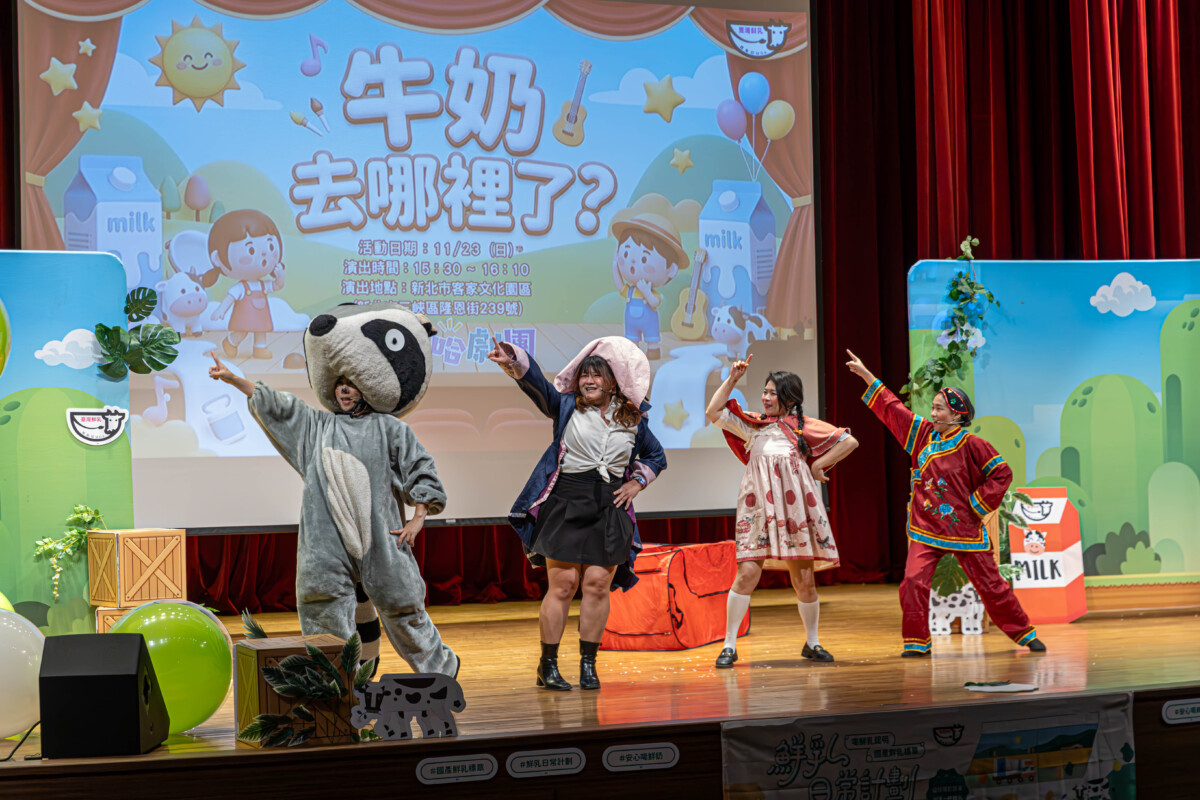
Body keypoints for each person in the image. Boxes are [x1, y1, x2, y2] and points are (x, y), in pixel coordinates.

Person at [207, 352, 459, 676]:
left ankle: (442, 673)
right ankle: (338, 688)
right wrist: (234, 380)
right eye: (340, 384)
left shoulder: (390, 429)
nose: (344, 390)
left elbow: (421, 470)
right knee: (323, 611)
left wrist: (417, 518)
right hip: (326, 548)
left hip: (382, 541)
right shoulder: (318, 427)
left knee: (403, 607)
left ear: (366, 388)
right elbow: (281, 406)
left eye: (351, 384)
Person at [488, 336, 666, 691]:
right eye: (585, 374)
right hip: (567, 501)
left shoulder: (632, 418)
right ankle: (548, 666)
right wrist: (514, 360)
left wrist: (636, 483)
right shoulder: (566, 405)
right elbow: (538, 387)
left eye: (597, 375)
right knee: (564, 585)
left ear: (612, 381)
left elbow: (656, 456)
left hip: (610, 507)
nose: (589, 380)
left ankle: (588, 665)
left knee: (598, 586)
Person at [845, 349, 1046, 657]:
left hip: (964, 530)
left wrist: (977, 505)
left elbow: (1002, 474)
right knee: (913, 581)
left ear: (957, 415)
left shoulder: (974, 445)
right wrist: (867, 375)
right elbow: (892, 408)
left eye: (939, 409)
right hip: (926, 528)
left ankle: (1024, 633)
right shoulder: (922, 435)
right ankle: (916, 643)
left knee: (991, 585)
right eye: (933, 408)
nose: (933, 413)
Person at [706, 356, 858, 667]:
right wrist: (732, 379)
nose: (765, 398)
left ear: (789, 398)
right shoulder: (753, 426)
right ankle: (729, 645)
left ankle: (812, 643)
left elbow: (849, 441)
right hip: (758, 509)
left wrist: (817, 465)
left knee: (804, 580)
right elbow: (714, 412)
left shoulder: (804, 427)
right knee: (747, 574)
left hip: (793, 510)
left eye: (772, 393)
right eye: (764, 392)